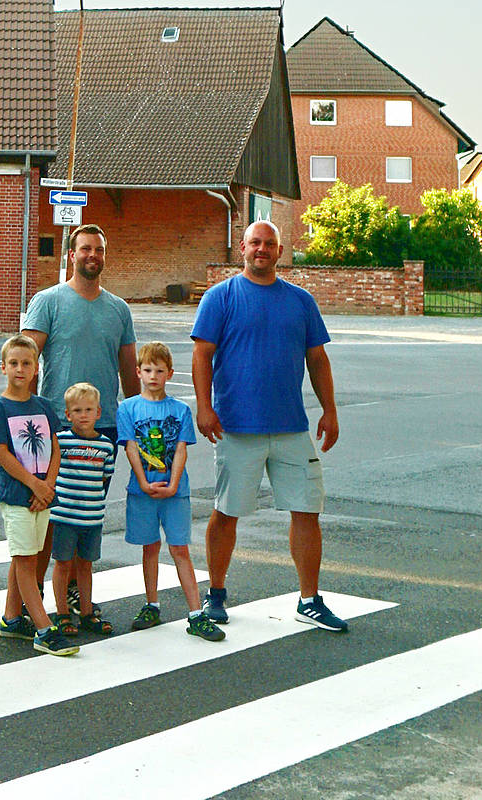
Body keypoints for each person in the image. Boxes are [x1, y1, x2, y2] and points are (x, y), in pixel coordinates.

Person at [191, 220, 347, 632]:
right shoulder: (219, 298)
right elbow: (202, 356)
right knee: (227, 512)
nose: (261, 249)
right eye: (255, 242)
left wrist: (329, 410)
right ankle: (217, 594)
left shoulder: (300, 301)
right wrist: (204, 408)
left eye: (270, 244)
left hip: (291, 428)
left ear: (280, 252)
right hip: (236, 427)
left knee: (307, 511)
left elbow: (318, 360)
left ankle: (309, 599)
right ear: (241, 247)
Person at [21, 223, 140, 609]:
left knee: (83, 516)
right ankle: (32, 592)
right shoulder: (48, 301)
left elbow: (129, 370)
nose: (92, 256)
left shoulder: (119, 309)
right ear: (72, 255)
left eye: (99, 250)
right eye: (85, 249)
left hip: (102, 431)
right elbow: (26, 361)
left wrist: (138, 419)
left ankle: (70, 591)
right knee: (47, 517)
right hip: (55, 425)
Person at [117, 342, 224, 642]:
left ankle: (195, 614)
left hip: (175, 493)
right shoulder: (127, 408)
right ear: (138, 372)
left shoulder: (179, 410)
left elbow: (180, 450)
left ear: (169, 373)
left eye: (159, 371)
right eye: (148, 370)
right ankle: (151, 603)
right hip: (143, 491)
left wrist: (174, 484)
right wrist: (143, 482)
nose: (153, 376)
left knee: (179, 548)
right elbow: (131, 447)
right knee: (149, 547)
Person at [0, 334, 79, 656]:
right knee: (25, 560)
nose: (20, 369)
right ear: (3, 368)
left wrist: (48, 485)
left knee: (29, 556)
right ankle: (42, 627)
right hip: (17, 495)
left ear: (36, 368)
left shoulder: (42, 407)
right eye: (13, 363)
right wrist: (34, 485)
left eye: (26, 363)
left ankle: (12, 618)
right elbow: (1, 454)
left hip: (43, 496)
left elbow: (55, 448)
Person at [48, 382, 116, 638]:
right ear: (68, 415)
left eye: (89, 409)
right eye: (77, 410)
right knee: (63, 563)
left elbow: (104, 478)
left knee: (86, 565)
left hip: (92, 517)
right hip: (64, 515)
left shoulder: (107, 446)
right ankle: (62, 613)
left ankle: (87, 612)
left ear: (98, 412)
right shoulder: (61, 442)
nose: (84, 415)